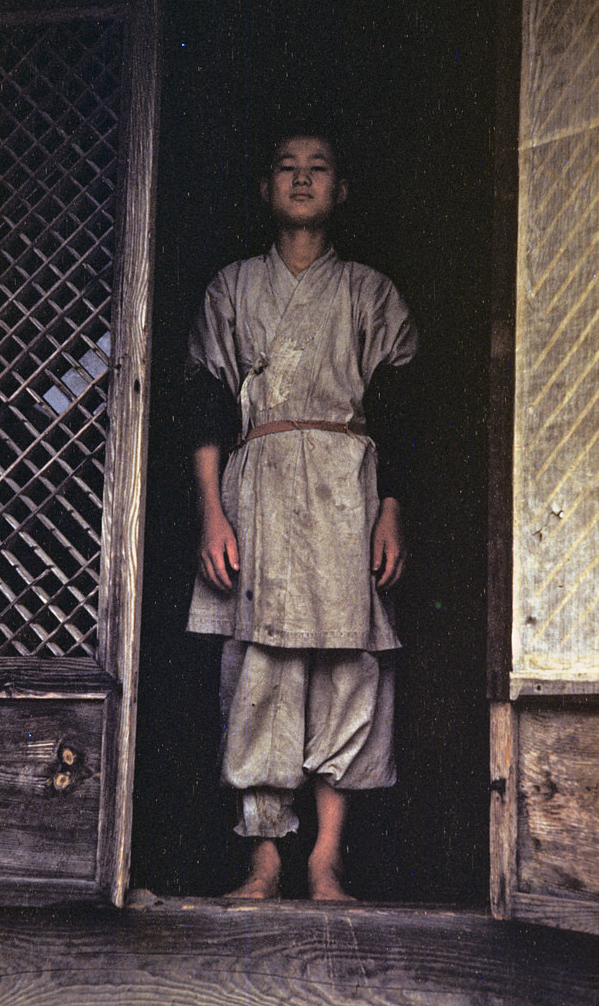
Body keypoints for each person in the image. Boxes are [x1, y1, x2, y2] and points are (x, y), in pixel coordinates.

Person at [184, 127, 418, 900]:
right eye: (286, 167)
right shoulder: (231, 288)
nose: (302, 179)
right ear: (265, 188)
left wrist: (390, 512)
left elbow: (405, 415)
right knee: (260, 670)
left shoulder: (370, 293)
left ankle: (325, 859)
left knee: (346, 667)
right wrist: (213, 516)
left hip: (348, 487)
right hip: (259, 486)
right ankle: (263, 859)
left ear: (340, 190)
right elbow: (206, 409)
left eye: (319, 168)